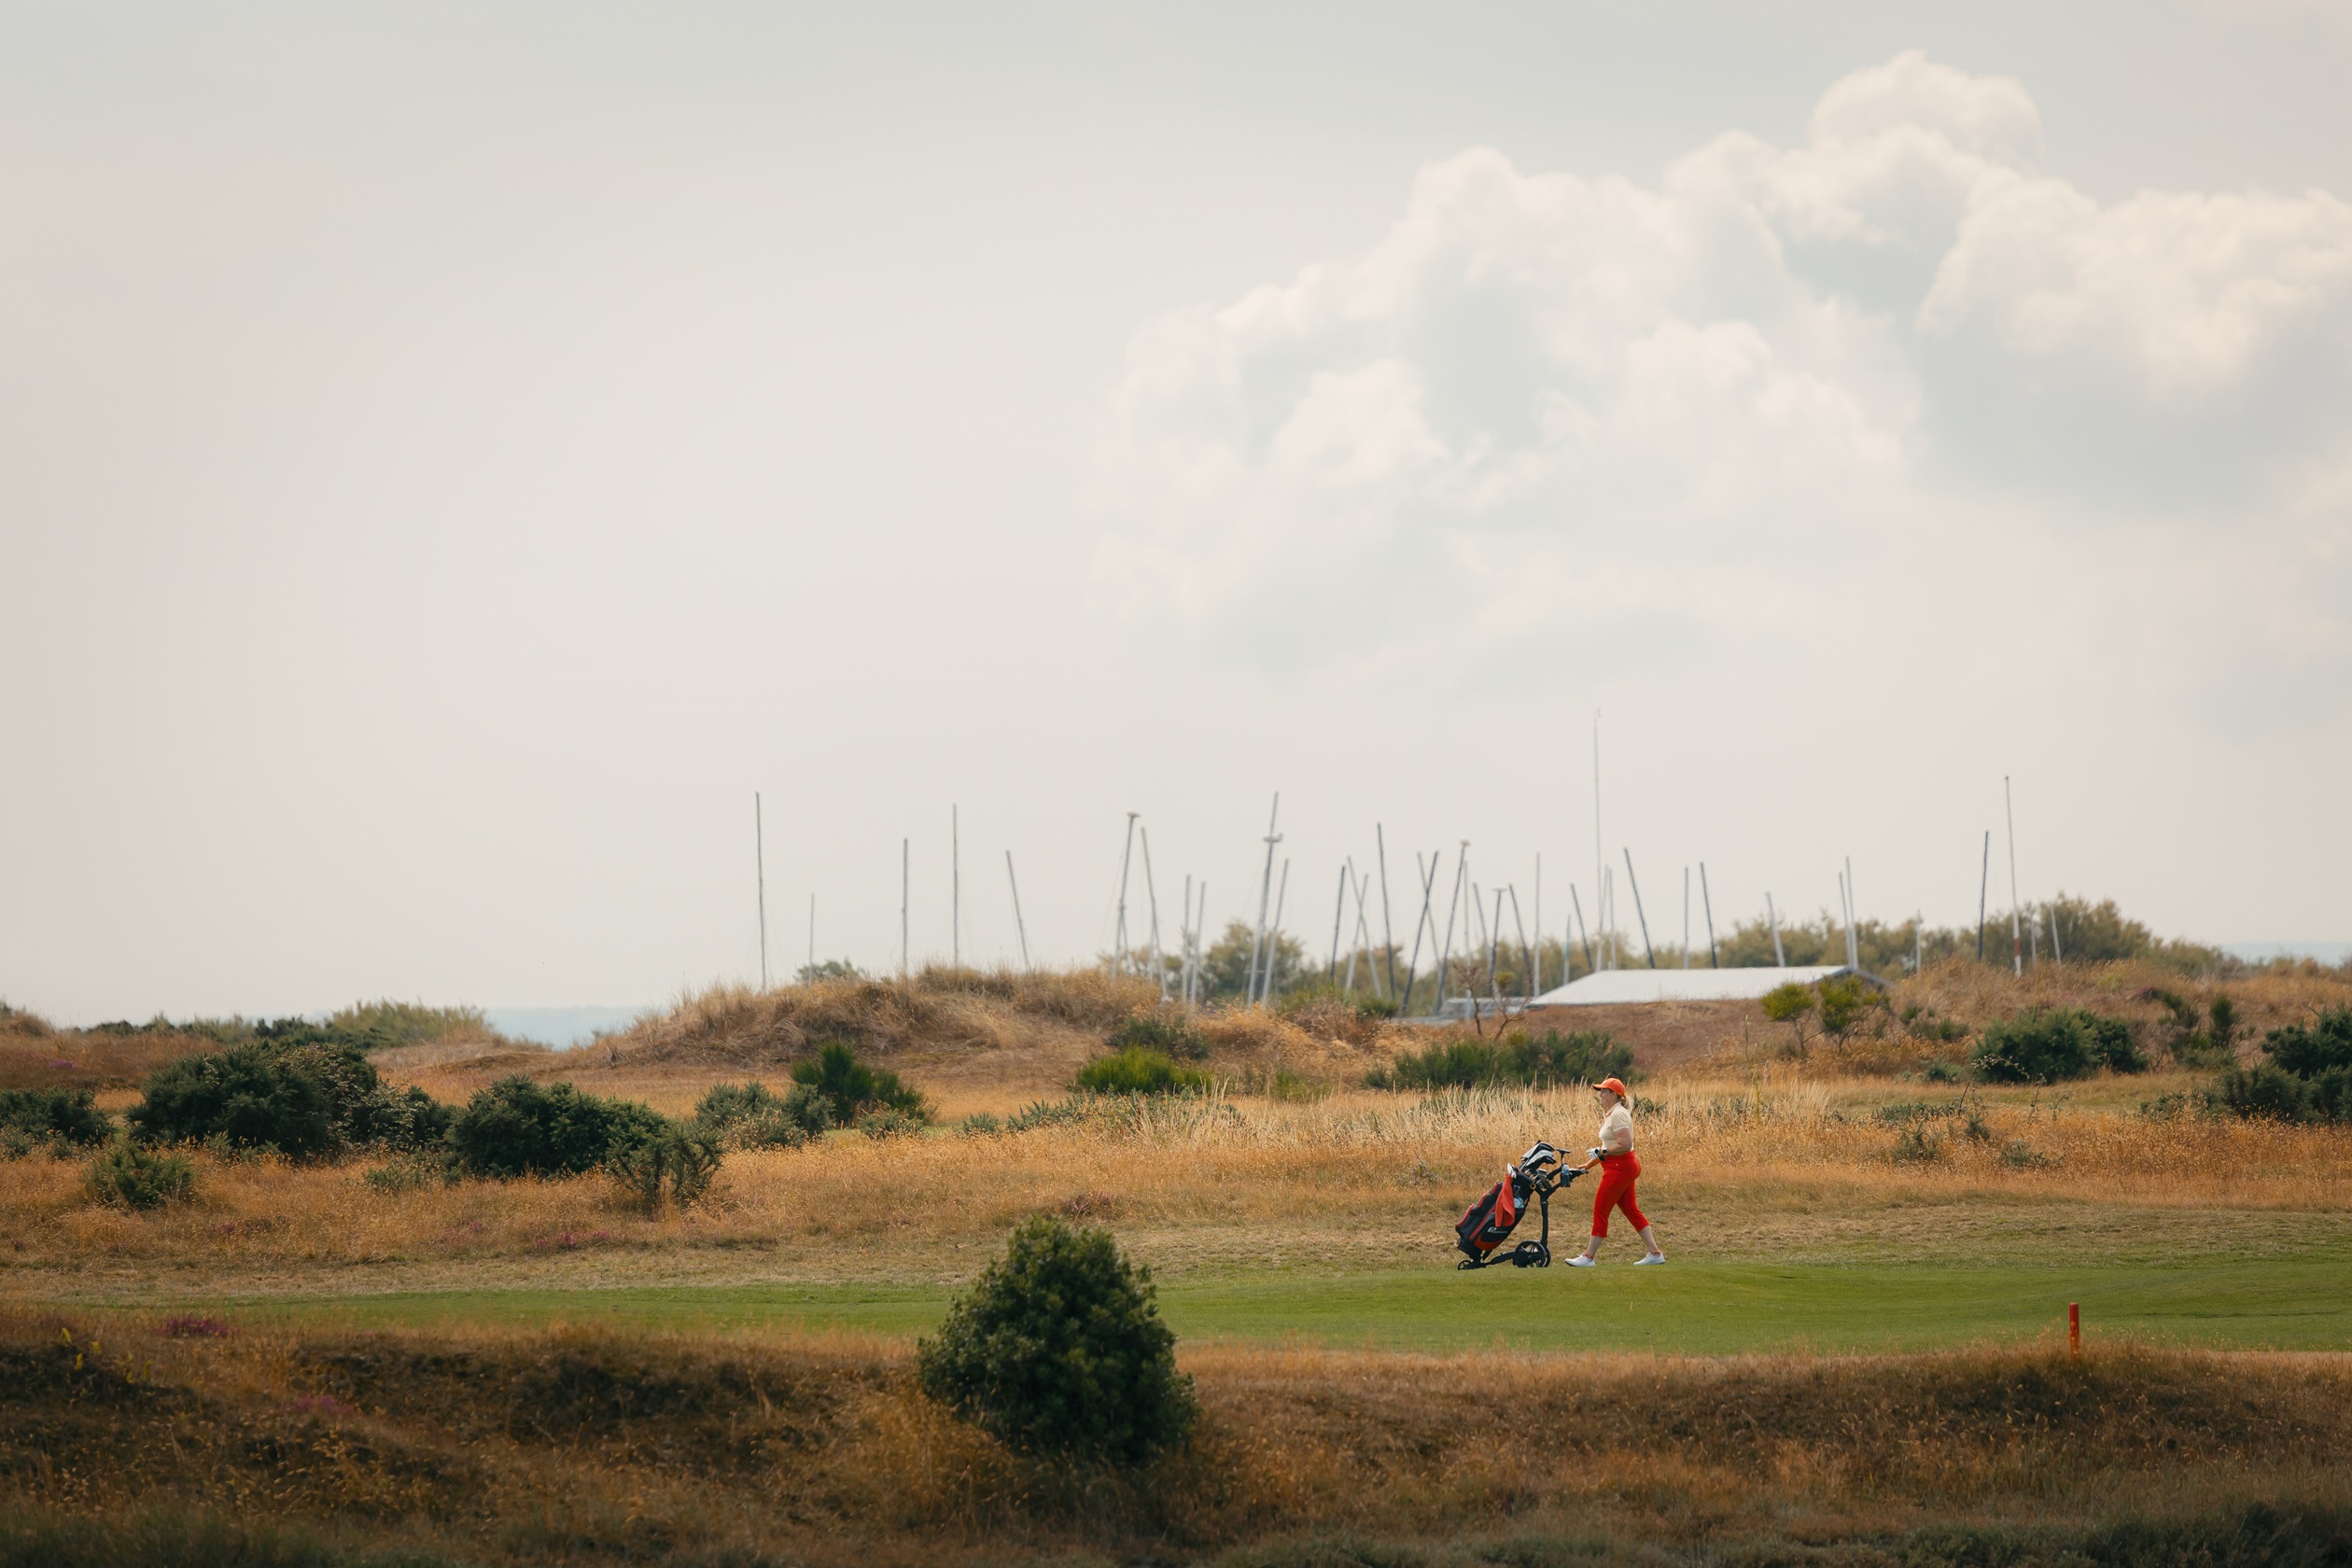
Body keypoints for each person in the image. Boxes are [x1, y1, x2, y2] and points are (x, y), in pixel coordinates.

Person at [1565, 1076, 1664, 1267]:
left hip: (1620, 1167)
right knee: (1631, 1210)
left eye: (1604, 1091)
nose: (1601, 1094)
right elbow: (1608, 1146)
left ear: (1614, 1094)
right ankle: (1655, 1253)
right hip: (1622, 1166)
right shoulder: (1614, 1113)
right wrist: (1589, 1164)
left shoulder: (1618, 1114)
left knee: (1600, 1210)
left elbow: (1624, 1145)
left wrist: (1601, 1152)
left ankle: (1588, 1257)